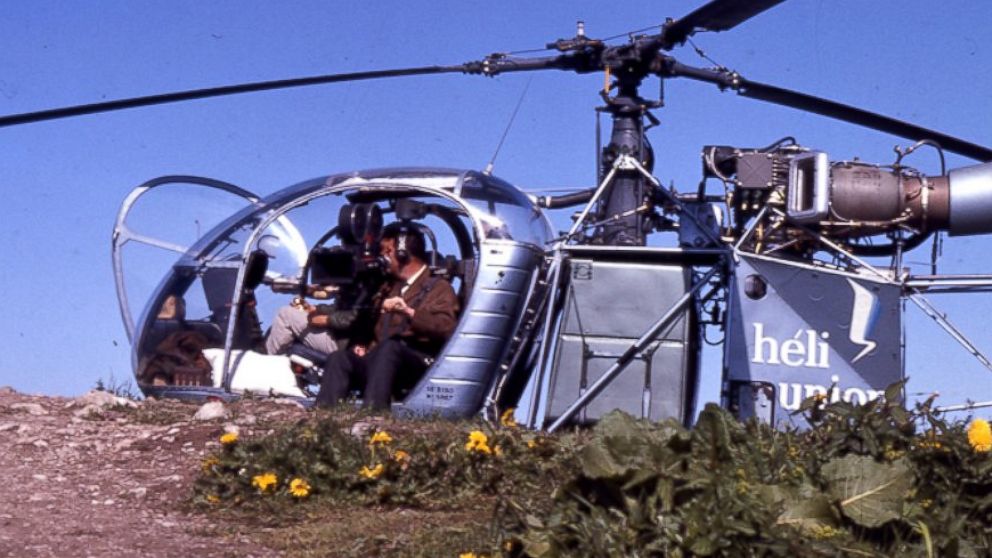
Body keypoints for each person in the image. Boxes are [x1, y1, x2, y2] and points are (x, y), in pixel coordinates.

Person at [315, 223, 459, 410]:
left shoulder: (439, 287)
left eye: (385, 251)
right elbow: (366, 322)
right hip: (379, 361)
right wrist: (361, 344)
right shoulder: (387, 288)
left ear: (399, 253)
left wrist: (408, 311)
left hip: (416, 363)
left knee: (390, 348)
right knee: (339, 358)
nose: (382, 257)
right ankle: (322, 419)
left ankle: (373, 416)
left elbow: (446, 327)